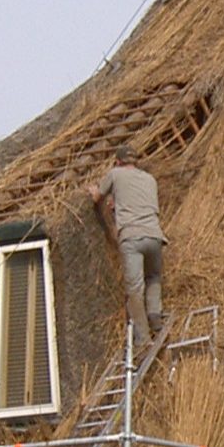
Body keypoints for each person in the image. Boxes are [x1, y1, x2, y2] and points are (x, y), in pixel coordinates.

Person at [86, 146, 165, 347]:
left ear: (118, 161)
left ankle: (142, 337)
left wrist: (94, 191)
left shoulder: (115, 174)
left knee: (135, 289)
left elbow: (97, 198)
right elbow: (139, 203)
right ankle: (155, 315)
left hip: (132, 238)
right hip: (154, 236)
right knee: (154, 276)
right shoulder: (150, 179)